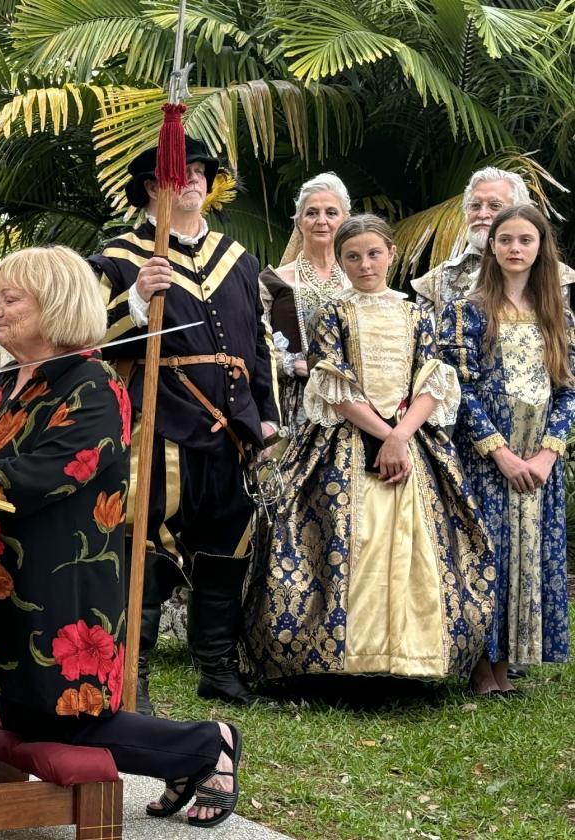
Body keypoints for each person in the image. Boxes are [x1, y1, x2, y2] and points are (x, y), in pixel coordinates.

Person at [0, 246, 243, 827]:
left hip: (63, 581)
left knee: (66, 718)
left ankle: (207, 745)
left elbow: (43, 475)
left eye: (10, 299)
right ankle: (190, 754)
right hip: (2, 576)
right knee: (25, 714)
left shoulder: (94, 385)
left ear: (54, 305)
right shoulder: (5, 381)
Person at [243, 215, 492, 681]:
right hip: (345, 440)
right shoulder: (332, 313)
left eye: (373, 253)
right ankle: (345, 658)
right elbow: (333, 385)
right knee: (340, 535)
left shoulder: (416, 313)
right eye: (352, 256)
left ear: (391, 254)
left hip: (411, 440)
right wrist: (384, 433)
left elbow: (433, 381)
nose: (364, 264)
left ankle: (412, 656)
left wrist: (402, 436)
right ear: (340, 260)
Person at [87, 137, 280, 711]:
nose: (193, 181)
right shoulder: (119, 259)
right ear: (153, 188)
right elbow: (85, 337)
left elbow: (259, 345)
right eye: (180, 174)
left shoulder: (238, 260)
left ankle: (217, 669)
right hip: (161, 424)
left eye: (199, 172)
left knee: (227, 548)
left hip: (234, 430)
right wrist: (137, 302)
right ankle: (134, 679)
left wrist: (266, 416)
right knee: (145, 548)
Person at [440, 204, 573, 696]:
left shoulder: (557, 315)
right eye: (506, 240)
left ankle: (509, 664)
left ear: (540, 249)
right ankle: (481, 668)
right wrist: (500, 453)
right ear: (491, 247)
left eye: (526, 240)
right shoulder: (467, 311)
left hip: (539, 460)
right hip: (487, 458)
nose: (515, 249)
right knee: (486, 556)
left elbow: (568, 390)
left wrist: (546, 454)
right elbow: (458, 388)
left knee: (528, 555)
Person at [259, 173, 352, 430]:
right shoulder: (272, 281)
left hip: (351, 401)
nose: (321, 221)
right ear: (299, 221)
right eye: (312, 213)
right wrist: (289, 364)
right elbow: (254, 340)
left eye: (331, 213)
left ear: (344, 221)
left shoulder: (358, 283)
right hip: (294, 402)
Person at [412, 167, 575, 312]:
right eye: (475, 206)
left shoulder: (560, 277)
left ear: (520, 212)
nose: (482, 214)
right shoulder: (434, 283)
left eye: (495, 206)